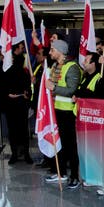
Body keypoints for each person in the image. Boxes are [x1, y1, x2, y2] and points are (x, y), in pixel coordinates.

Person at [45, 40, 82, 189]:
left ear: (60, 51)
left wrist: (53, 88)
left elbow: (72, 90)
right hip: (56, 111)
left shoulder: (72, 67)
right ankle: (60, 172)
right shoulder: (55, 66)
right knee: (58, 144)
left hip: (68, 112)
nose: (50, 52)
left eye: (52, 49)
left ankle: (74, 176)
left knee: (70, 146)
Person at [0, 42, 32, 164]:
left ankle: (26, 153)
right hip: (9, 104)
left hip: (21, 103)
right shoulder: (1, 68)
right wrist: (7, 94)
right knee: (12, 130)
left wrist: (27, 92)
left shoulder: (22, 67)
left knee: (23, 129)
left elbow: (27, 83)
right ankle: (14, 154)